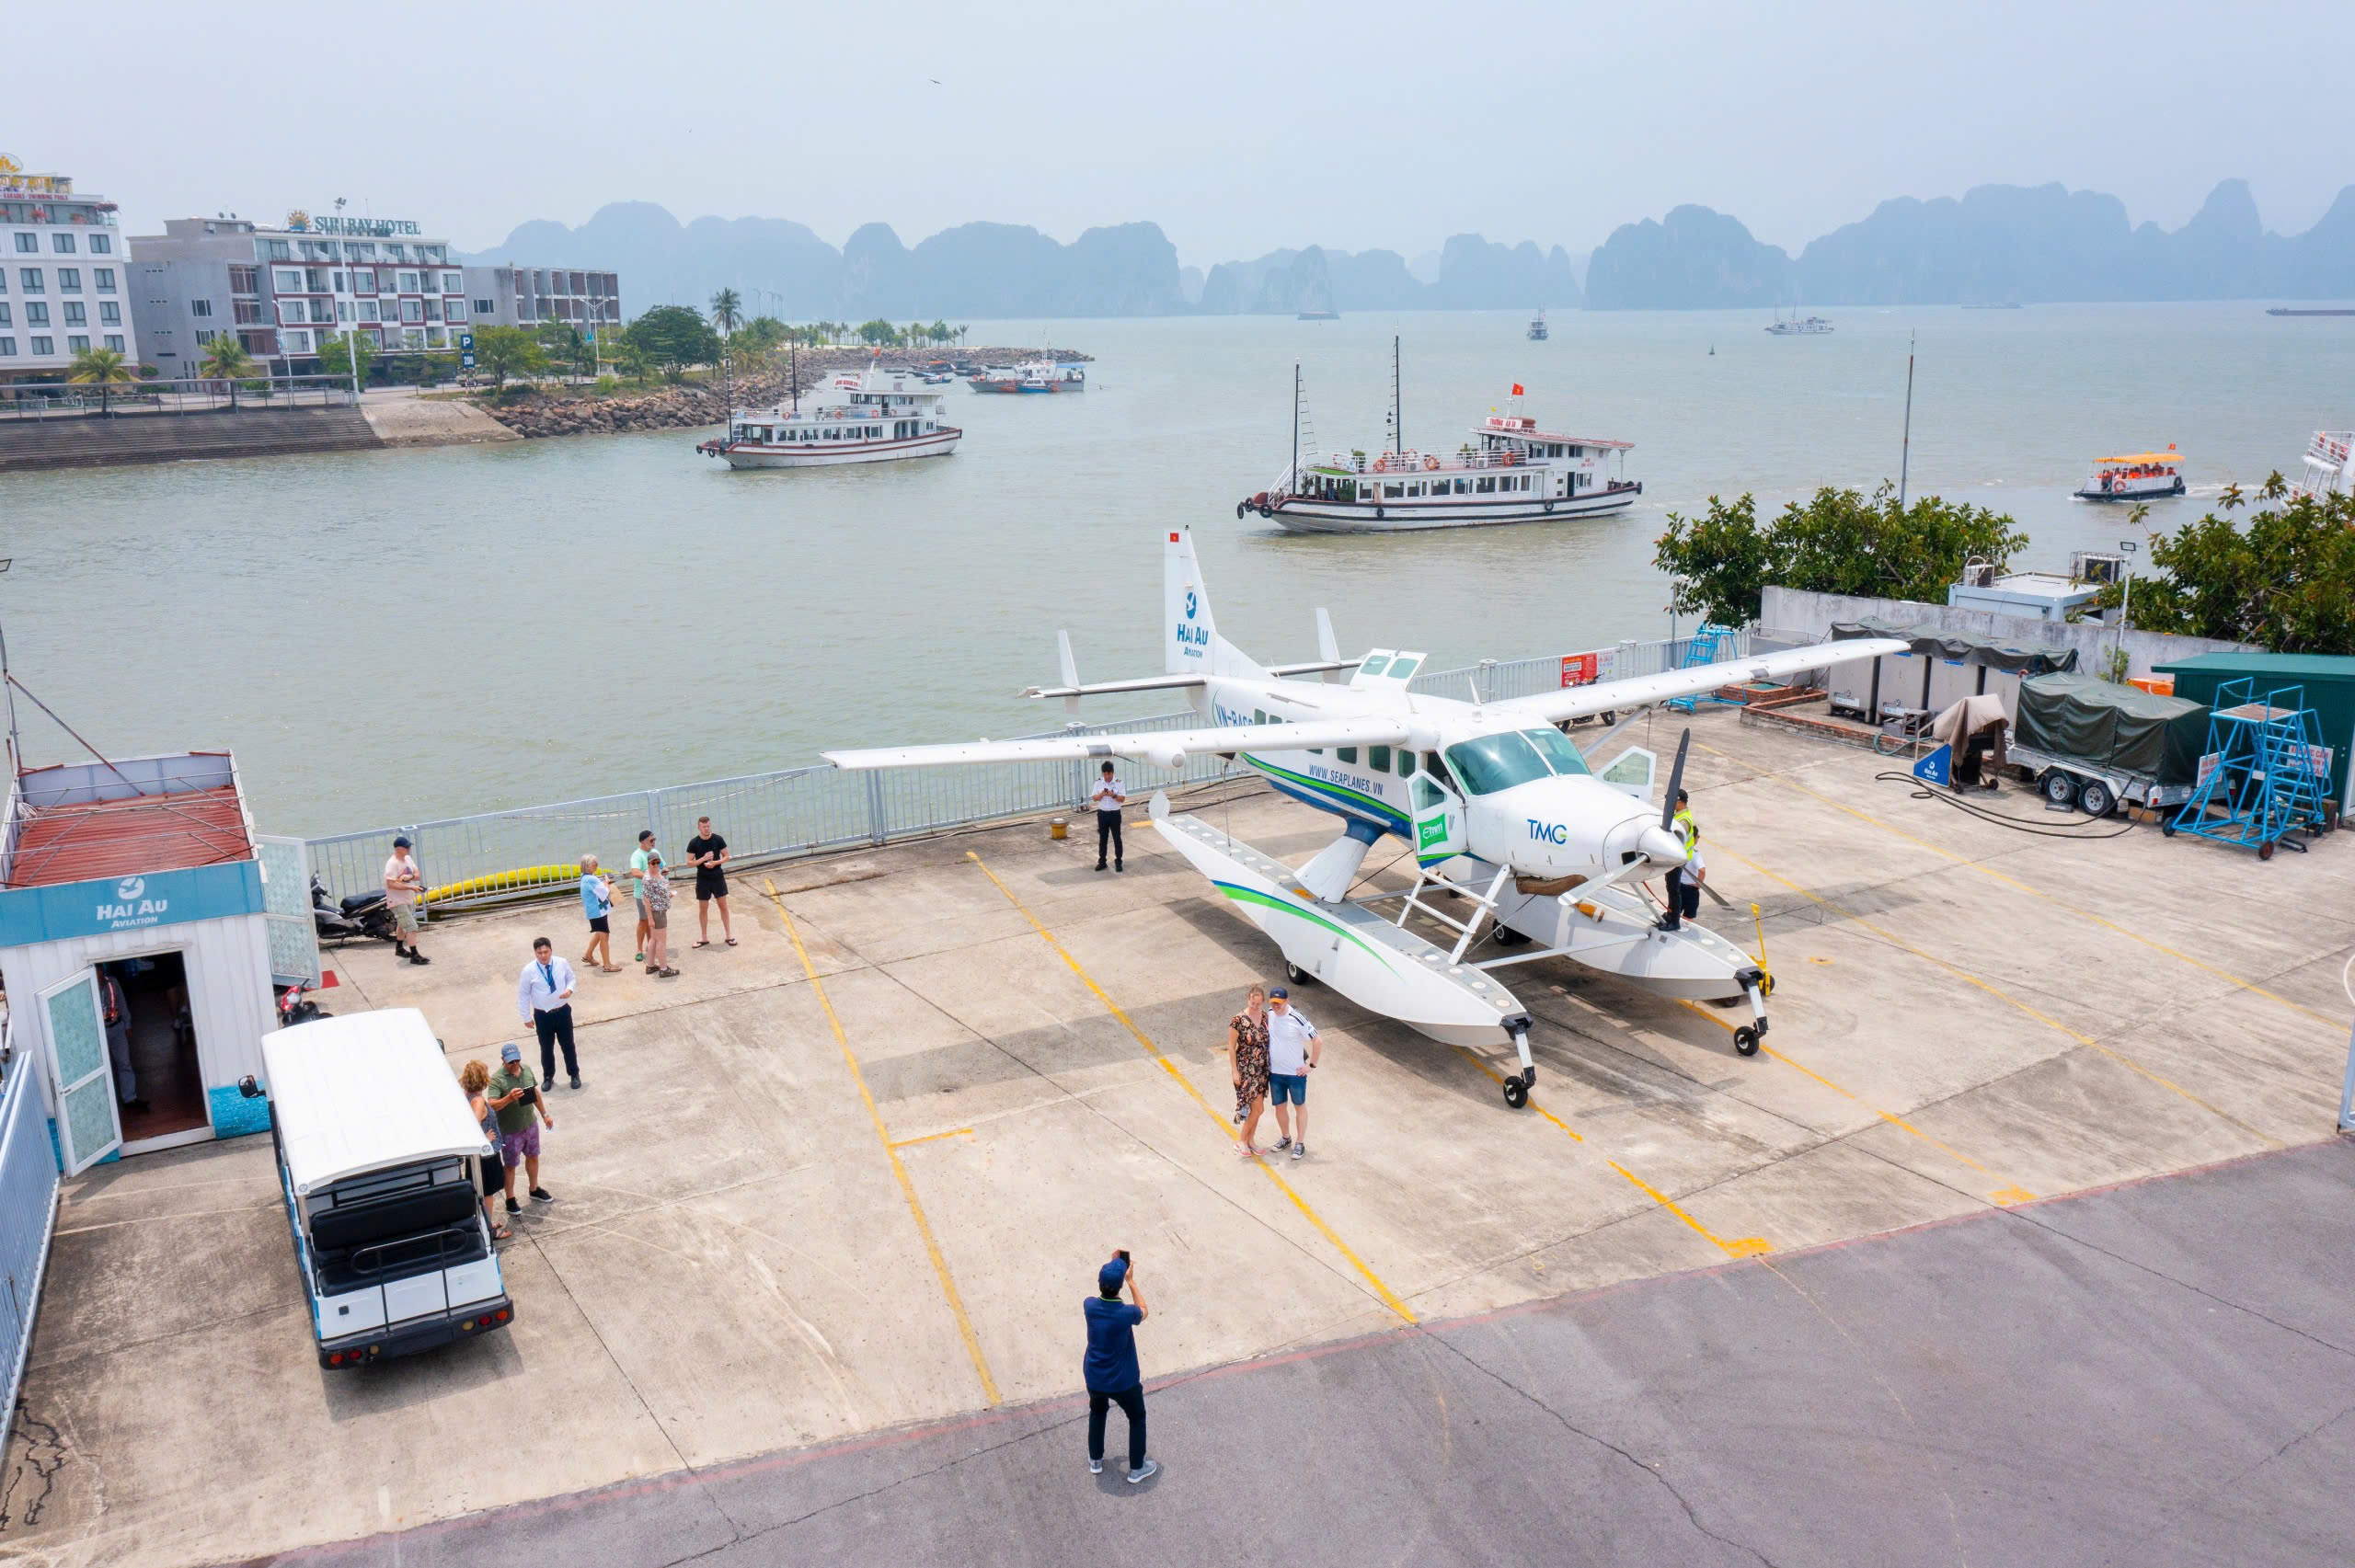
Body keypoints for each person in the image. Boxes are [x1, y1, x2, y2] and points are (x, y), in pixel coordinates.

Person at [1082, 1253, 1156, 1483]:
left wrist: (1113, 1265)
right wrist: (1132, 1281)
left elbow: (1103, 1292)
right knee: (1136, 1417)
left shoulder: (1090, 1305)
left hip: (1095, 1376)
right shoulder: (1127, 1314)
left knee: (1098, 1412)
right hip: (1123, 1381)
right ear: (1121, 1286)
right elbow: (1143, 1309)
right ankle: (1136, 1468)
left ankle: (1096, 1460)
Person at [487, 1041, 556, 1215]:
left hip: (529, 1125)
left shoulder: (526, 1069)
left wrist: (545, 1114)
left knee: (533, 1156)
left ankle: (534, 1189)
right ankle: (510, 1199)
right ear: (503, 1060)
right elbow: (492, 1105)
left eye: (517, 1060)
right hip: (510, 1131)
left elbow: (535, 1094)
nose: (515, 1064)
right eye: (511, 1061)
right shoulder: (497, 1079)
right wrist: (509, 1098)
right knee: (510, 1165)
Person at [517, 936, 582, 1089]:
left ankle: (574, 1074)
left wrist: (569, 990)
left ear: (551, 950)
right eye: (539, 953)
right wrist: (526, 1016)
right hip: (542, 1015)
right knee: (546, 1048)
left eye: (546, 952)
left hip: (562, 1012)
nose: (543, 955)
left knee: (568, 1045)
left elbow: (571, 979)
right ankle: (548, 1077)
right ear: (535, 953)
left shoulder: (562, 963)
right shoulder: (528, 971)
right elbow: (523, 994)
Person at [1265, 986, 1320, 1160]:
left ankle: (1300, 1143)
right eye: (1273, 1002)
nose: (1276, 1006)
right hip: (1275, 1073)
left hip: (1295, 1074)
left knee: (1299, 1107)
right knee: (1280, 1107)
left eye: (1279, 1003)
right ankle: (1286, 1138)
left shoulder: (1297, 1017)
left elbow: (1318, 1040)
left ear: (1287, 1001)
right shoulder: (1269, 1014)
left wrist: (1311, 1065)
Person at [460, 1060, 511, 1240]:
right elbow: (473, 1123)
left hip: (475, 1156)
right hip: (486, 1156)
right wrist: (484, 1138)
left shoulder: (464, 1096)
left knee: (481, 1194)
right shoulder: (479, 1100)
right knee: (487, 1194)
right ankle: (489, 1230)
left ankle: (484, 1222)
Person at [1228, 984, 1271, 1157]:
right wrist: (1234, 1071)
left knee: (1258, 1108)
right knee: (1257, 1108)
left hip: (1262, 1070)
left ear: (1263, 1002)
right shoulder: (1238, 1020)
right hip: (1246, 1070)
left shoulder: (1267, 1018)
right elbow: (1231, 1047)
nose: (1255, 1007)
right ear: (1248, 1000)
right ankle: (1241, 1141)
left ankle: (1250, 1140)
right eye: (1253, 1003)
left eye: (1258, 1004)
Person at [100, 965, 147, 1113]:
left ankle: (130, 1098)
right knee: (101, 1068)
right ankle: (104, 1106)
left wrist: (127, 1024)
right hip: (99, 1032)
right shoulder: (86, 986)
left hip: (117, 1027)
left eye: (99, 971)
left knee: (124, 1063)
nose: (97, 975)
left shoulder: (112, 982)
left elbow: (122, 1003)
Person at [684, 815, 735, 948]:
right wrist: (703, 859)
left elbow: (726, 856)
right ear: (699, 827)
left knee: (723, 905)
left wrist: (716, 862)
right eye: (704, 827)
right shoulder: (694, 842)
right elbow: (689, 863)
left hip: (717, 876)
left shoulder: (718, 839)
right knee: (703, 908)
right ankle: (704, 937)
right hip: (703, 878)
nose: (706, 829)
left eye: (708, 826)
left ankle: (729, 935)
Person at [1660, 788, 1703, 932]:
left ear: (1679, 802)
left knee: (1673, 889)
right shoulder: (1681, 814)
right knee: (1671, 887)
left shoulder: (1683, 820)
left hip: (1677, 859)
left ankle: (1674, 921)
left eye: (1671, 800)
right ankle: (1670, 913)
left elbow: (1675, 839)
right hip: (1676, 858)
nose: (1668, 803)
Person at [384, 835, 430, 965]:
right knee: (411, 927)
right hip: (397, 901)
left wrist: (408, 877)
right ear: (398, 849)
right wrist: (412, 887)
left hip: (408, 898)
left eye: (409, 847)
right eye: (406, 847)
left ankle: (399, 948)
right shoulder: (392, 864)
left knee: (402, 925)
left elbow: (418, 874)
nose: (409, 849)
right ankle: (415, 955)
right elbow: (391, 884)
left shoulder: (408, 859)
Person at [580, 855, 620, 973]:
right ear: (588, 866)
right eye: (595, 864)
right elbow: (605, 892)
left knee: (599, 933)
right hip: (598, 912)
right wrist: (607, 882)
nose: (597, 865)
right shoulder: (591, 879)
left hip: (593, 911)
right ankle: (607, 965)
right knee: (604, 936)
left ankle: (588, 955)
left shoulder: (584, 878)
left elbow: (597, 889)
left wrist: (603, 883)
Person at [642, 850, 679, 978]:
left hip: (661, 909)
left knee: (654, 938)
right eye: (653, 863)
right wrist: (650, 918)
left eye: (658, 863)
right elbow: (646, 899)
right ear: (648, 864)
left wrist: (668, 895)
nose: (656, 865)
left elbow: (658, 892)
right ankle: (664, 968)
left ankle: (650, 965)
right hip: (657, 912)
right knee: (661, 941)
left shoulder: (657, 873)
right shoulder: (648, 879)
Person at [1090, 761, 1127, 873]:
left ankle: (1119, 862)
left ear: (1113, 773)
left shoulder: (1119, 783)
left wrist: (1114, 795)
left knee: (1117, 838)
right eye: (1105, 774)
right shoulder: (1098, 783)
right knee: (1103, 839)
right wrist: (1101, 795)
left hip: (1115, 813)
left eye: (1109, 774)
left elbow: (1122, 799)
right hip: (1102, 813)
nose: (1107, 777)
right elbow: (1094, 798)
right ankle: (1102, 862)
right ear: (1103, 773)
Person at [628, 829, 657, 965]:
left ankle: (650, 946)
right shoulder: (637, 855)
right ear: (643, 842)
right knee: (644, 920)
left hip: (655, 892)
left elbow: (661, 865)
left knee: (654, 921)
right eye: (651, 840)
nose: (653, 842)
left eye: (654, 840)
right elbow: (634, 871)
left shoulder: (654, 853)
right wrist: (648, 876)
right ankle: (639, 950)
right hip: (642, 893)